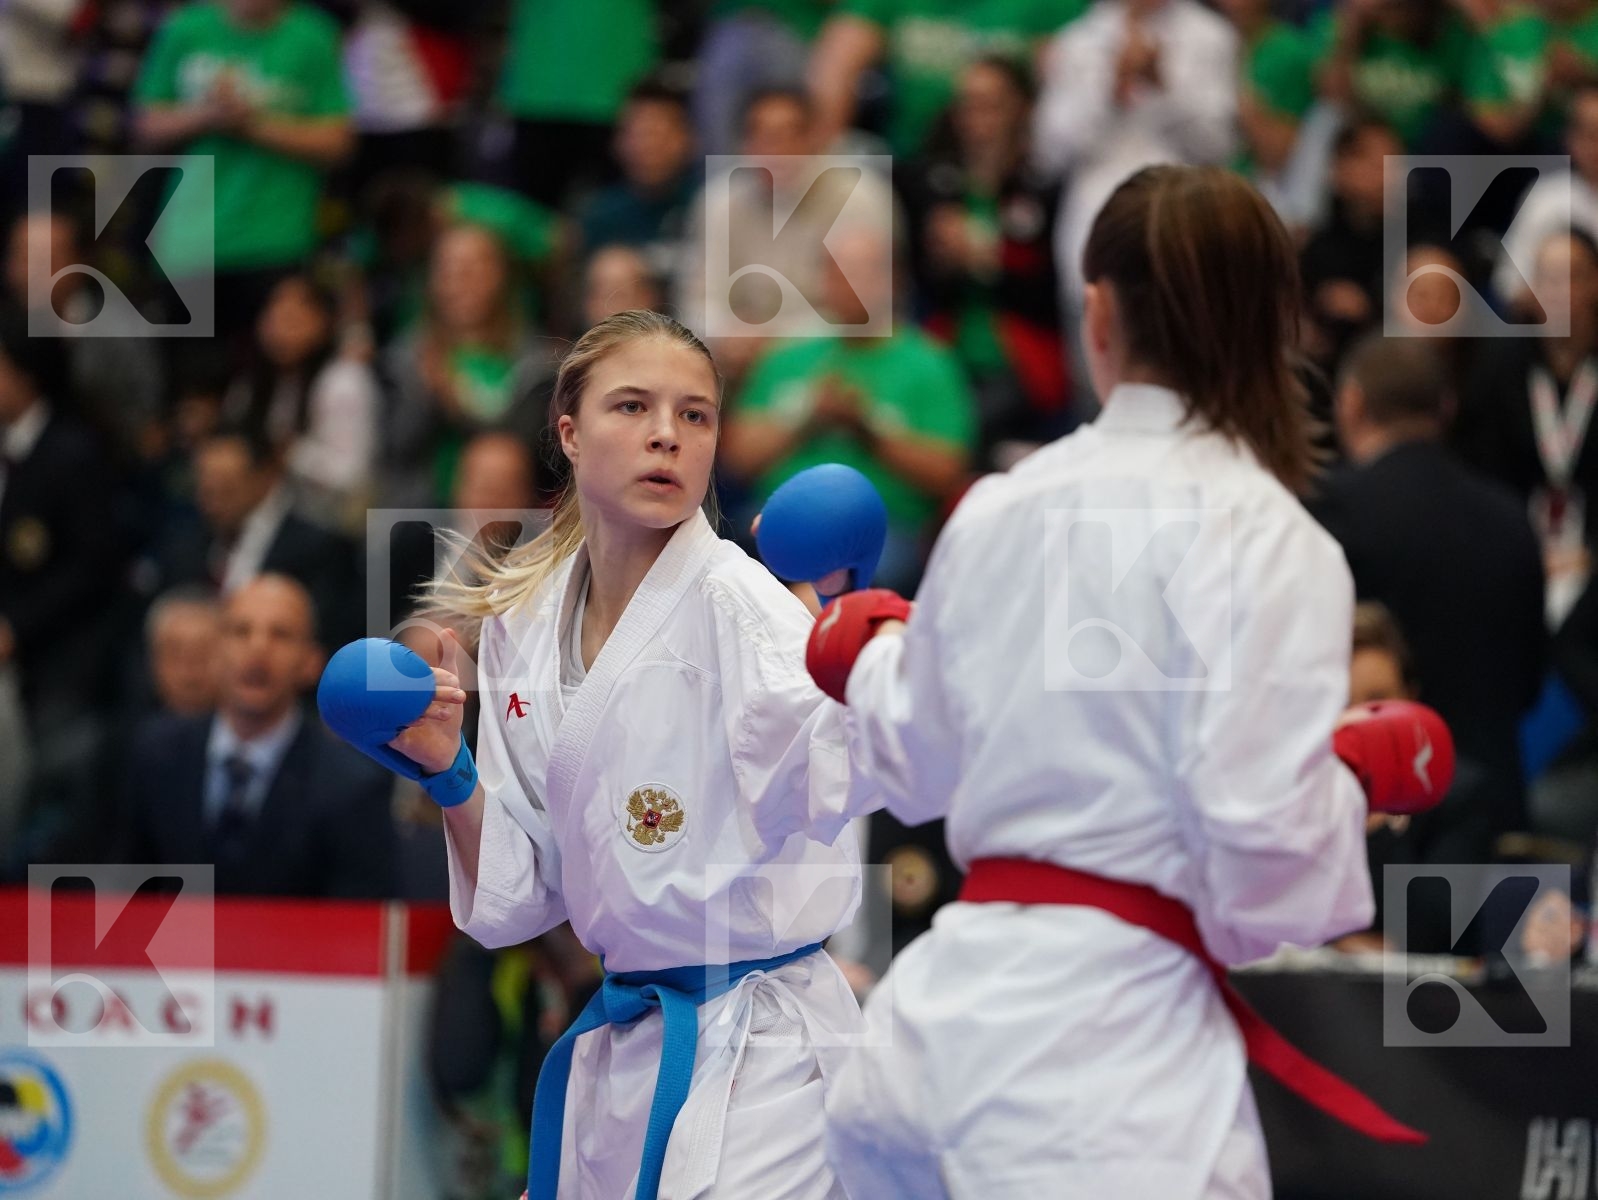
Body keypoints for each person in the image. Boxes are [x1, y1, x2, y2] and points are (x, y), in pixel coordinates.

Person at [807, 166, 1430, 1197]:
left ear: (1095, 314)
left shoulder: (1002, 505)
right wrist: (1351, 783)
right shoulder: (1270, 538)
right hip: (1103, 1083)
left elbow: (915, 769)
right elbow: (1258, 849)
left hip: (923, 1048)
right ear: (1280, 331)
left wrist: (862, 652)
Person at [349, 310, 877, 1199]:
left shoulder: (745, 613)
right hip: (626, 1040)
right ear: (569, 431)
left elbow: (849, 769)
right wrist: (450, 770)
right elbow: (522, 894)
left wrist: (866, 659)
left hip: (762, 1058)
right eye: (632, 407)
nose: (666, 435)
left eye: (695, 415)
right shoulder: (522, 623)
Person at [121, 573, 396, 898]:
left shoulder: (351, 784)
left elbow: (363, 921)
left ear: (311, 662)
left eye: (280, 635)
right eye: (240, 631)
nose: (258, 649)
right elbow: (129, 892)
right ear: (216, 651)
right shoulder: (157, 754)